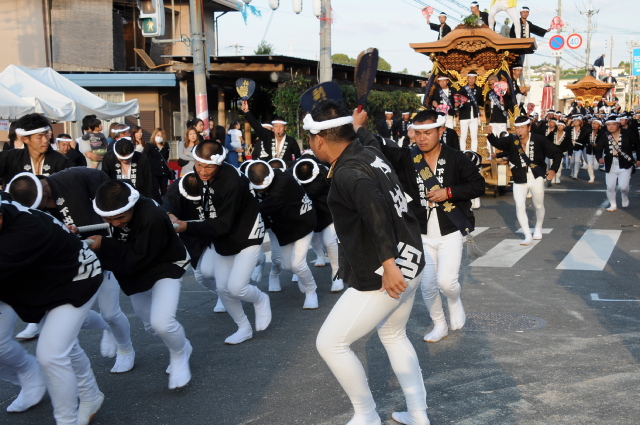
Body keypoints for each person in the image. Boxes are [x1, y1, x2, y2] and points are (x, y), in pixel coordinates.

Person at [308, 101, 429, 425]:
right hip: (411, 259)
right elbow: (367, 138)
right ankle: (418, 414)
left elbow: (376, 213)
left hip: (386, 271)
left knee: (330, 344)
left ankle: (367, 415)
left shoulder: (349, 173)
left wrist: (389, 265)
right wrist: (358, 125)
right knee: (393, 334)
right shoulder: (368, 151)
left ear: (319, 140)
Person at [355, 109, 485, 344]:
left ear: (441, 131)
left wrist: (448, 192)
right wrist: (359, 128)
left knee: (447, 283)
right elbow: (377, 148)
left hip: (450, 230)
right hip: (420, 233)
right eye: (418, 133)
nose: (422, 138)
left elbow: (478, 185)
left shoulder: (456, 158)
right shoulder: (407, 157)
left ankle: (454, 300)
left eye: (428, 133)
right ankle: (439, 324)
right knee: (428, 285)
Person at [7, 168, 136, 374]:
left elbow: (110, 192)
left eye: (44, 202)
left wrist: (110, 222)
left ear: (43, 188)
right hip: (70, 263)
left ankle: (125, 349)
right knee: (72, 315)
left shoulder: (74, 177)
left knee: (110, 312)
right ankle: (106, 328)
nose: (45, 207)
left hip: (102, 252)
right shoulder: (35, 213)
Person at [0, 198, 104, 425]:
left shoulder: (24, 232)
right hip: (38, 281)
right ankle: (90, 394)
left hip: (75, 278)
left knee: (51, 354)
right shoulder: (8, 211)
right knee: (63, 344)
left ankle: (67, 420)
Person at [87, 180, 192, 389]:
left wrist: (104, 244)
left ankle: (180, 353)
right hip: (137, 269)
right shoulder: (117, 204)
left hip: (165, 265)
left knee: (162, 323)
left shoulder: (151, 215)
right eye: (109, 219)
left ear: (132, 205)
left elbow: (136, 257)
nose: (116, 223)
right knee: (150, 325)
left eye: (121, 217)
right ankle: (180, 345)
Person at [170, 141, 271, 344]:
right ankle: (244, 328)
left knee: (237, 288)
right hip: (223, 237)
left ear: (220, 163)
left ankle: (260, 299)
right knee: (223, 288)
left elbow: (223, 224)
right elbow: (176, 190)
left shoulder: (232, 182)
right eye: (199, 165)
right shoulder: (200, 173)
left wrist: (187, 226)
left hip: (247, 235)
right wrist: (170, 212)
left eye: (209, 167)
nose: (202, 171)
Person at [245, 160, 319, 309]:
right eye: (258, 189)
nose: (260, 191)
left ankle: (311, 291)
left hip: (302, 222)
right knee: (287, 265)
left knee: (298, 264)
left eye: (263, 188)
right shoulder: (252, 184)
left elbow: (270, 204)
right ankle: (302, 276)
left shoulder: (284, 179)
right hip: (283, 226)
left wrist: (243, 213)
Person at [487, 116, 563, 245]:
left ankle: (538, 227)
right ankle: (527, 235)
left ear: (529, 127)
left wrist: (553, 169)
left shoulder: (539, 139)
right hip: (519, 178)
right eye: (517, 128)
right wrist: (490, 134)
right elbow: (498, 143)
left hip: (536, 177)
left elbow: (557, 153)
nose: (519, 131)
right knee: (520, 205)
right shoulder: (512, 139)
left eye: (522, 128)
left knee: (538, 205)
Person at [291, 157, 344, 292]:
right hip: (307, 216)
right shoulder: (292, 174)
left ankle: (337, 272)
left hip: (328, 213)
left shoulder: (325, 175)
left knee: (329, 241)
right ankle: (302, 271)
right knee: (308, 243)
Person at [0, 113, 73, 184]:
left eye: (47, 135)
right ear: (25, 139)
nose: (46, 140)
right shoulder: (9, 158)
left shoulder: (62, 162)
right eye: (40, 137)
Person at [594, 116, 640, 211]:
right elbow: (598, 148)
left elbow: (638, 145)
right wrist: (599, 158)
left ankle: (624, 195)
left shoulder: (628, 133)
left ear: (618, 124)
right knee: (610, 187)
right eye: (608, 125)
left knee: (623, 187)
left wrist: (638, 158)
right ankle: (613, 205)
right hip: (610, 164)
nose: (611, 127)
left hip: (625, 163)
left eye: (613, 124)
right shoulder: (605, 135)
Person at [484, 74, 513, 156]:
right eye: (490, 84)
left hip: (501, 119)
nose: (492, 86)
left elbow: (509, 105)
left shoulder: (504, 92)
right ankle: (491, 154)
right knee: (490, 137)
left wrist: (503, 101)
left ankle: (504, 155)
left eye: (494, 83)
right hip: (492, 119)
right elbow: (486, 107)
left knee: (503, 138)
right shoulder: (489, 94)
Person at [457, 70, 484, 151]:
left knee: (474, 136)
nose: (471, 80)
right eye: (470, 78)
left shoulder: (479, 89)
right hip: (464, 115)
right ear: (467, 79)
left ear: (476, 79)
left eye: (473, 78)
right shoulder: (463, 89)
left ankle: (474, 153)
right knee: (463, 136)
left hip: (474, 116)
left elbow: (481, 102)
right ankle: (462, 153)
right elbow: (457, 100)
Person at [143, 128, 173, 198]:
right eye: (158, 135)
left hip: (164, 172)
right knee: (155, 191)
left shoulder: (166, 146)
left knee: (164, 191)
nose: (160, 137)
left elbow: (166, 157)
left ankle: (164, 203)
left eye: (161, 135)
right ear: (154, 135)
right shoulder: (149, 146)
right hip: (154, 172)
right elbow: (144, 157)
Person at [585, 118, 603, 183]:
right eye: (593, 123)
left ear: (599, 126)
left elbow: (603, 141)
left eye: (596, 124)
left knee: (595, 166)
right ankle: (591, 177)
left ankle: (593, 173)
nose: (594, 125)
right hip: (589, 150)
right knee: (590, 165)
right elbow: (583, 138)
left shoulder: (602, 133)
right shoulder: (588, 131)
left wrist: (598, 144)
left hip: (597, 151)